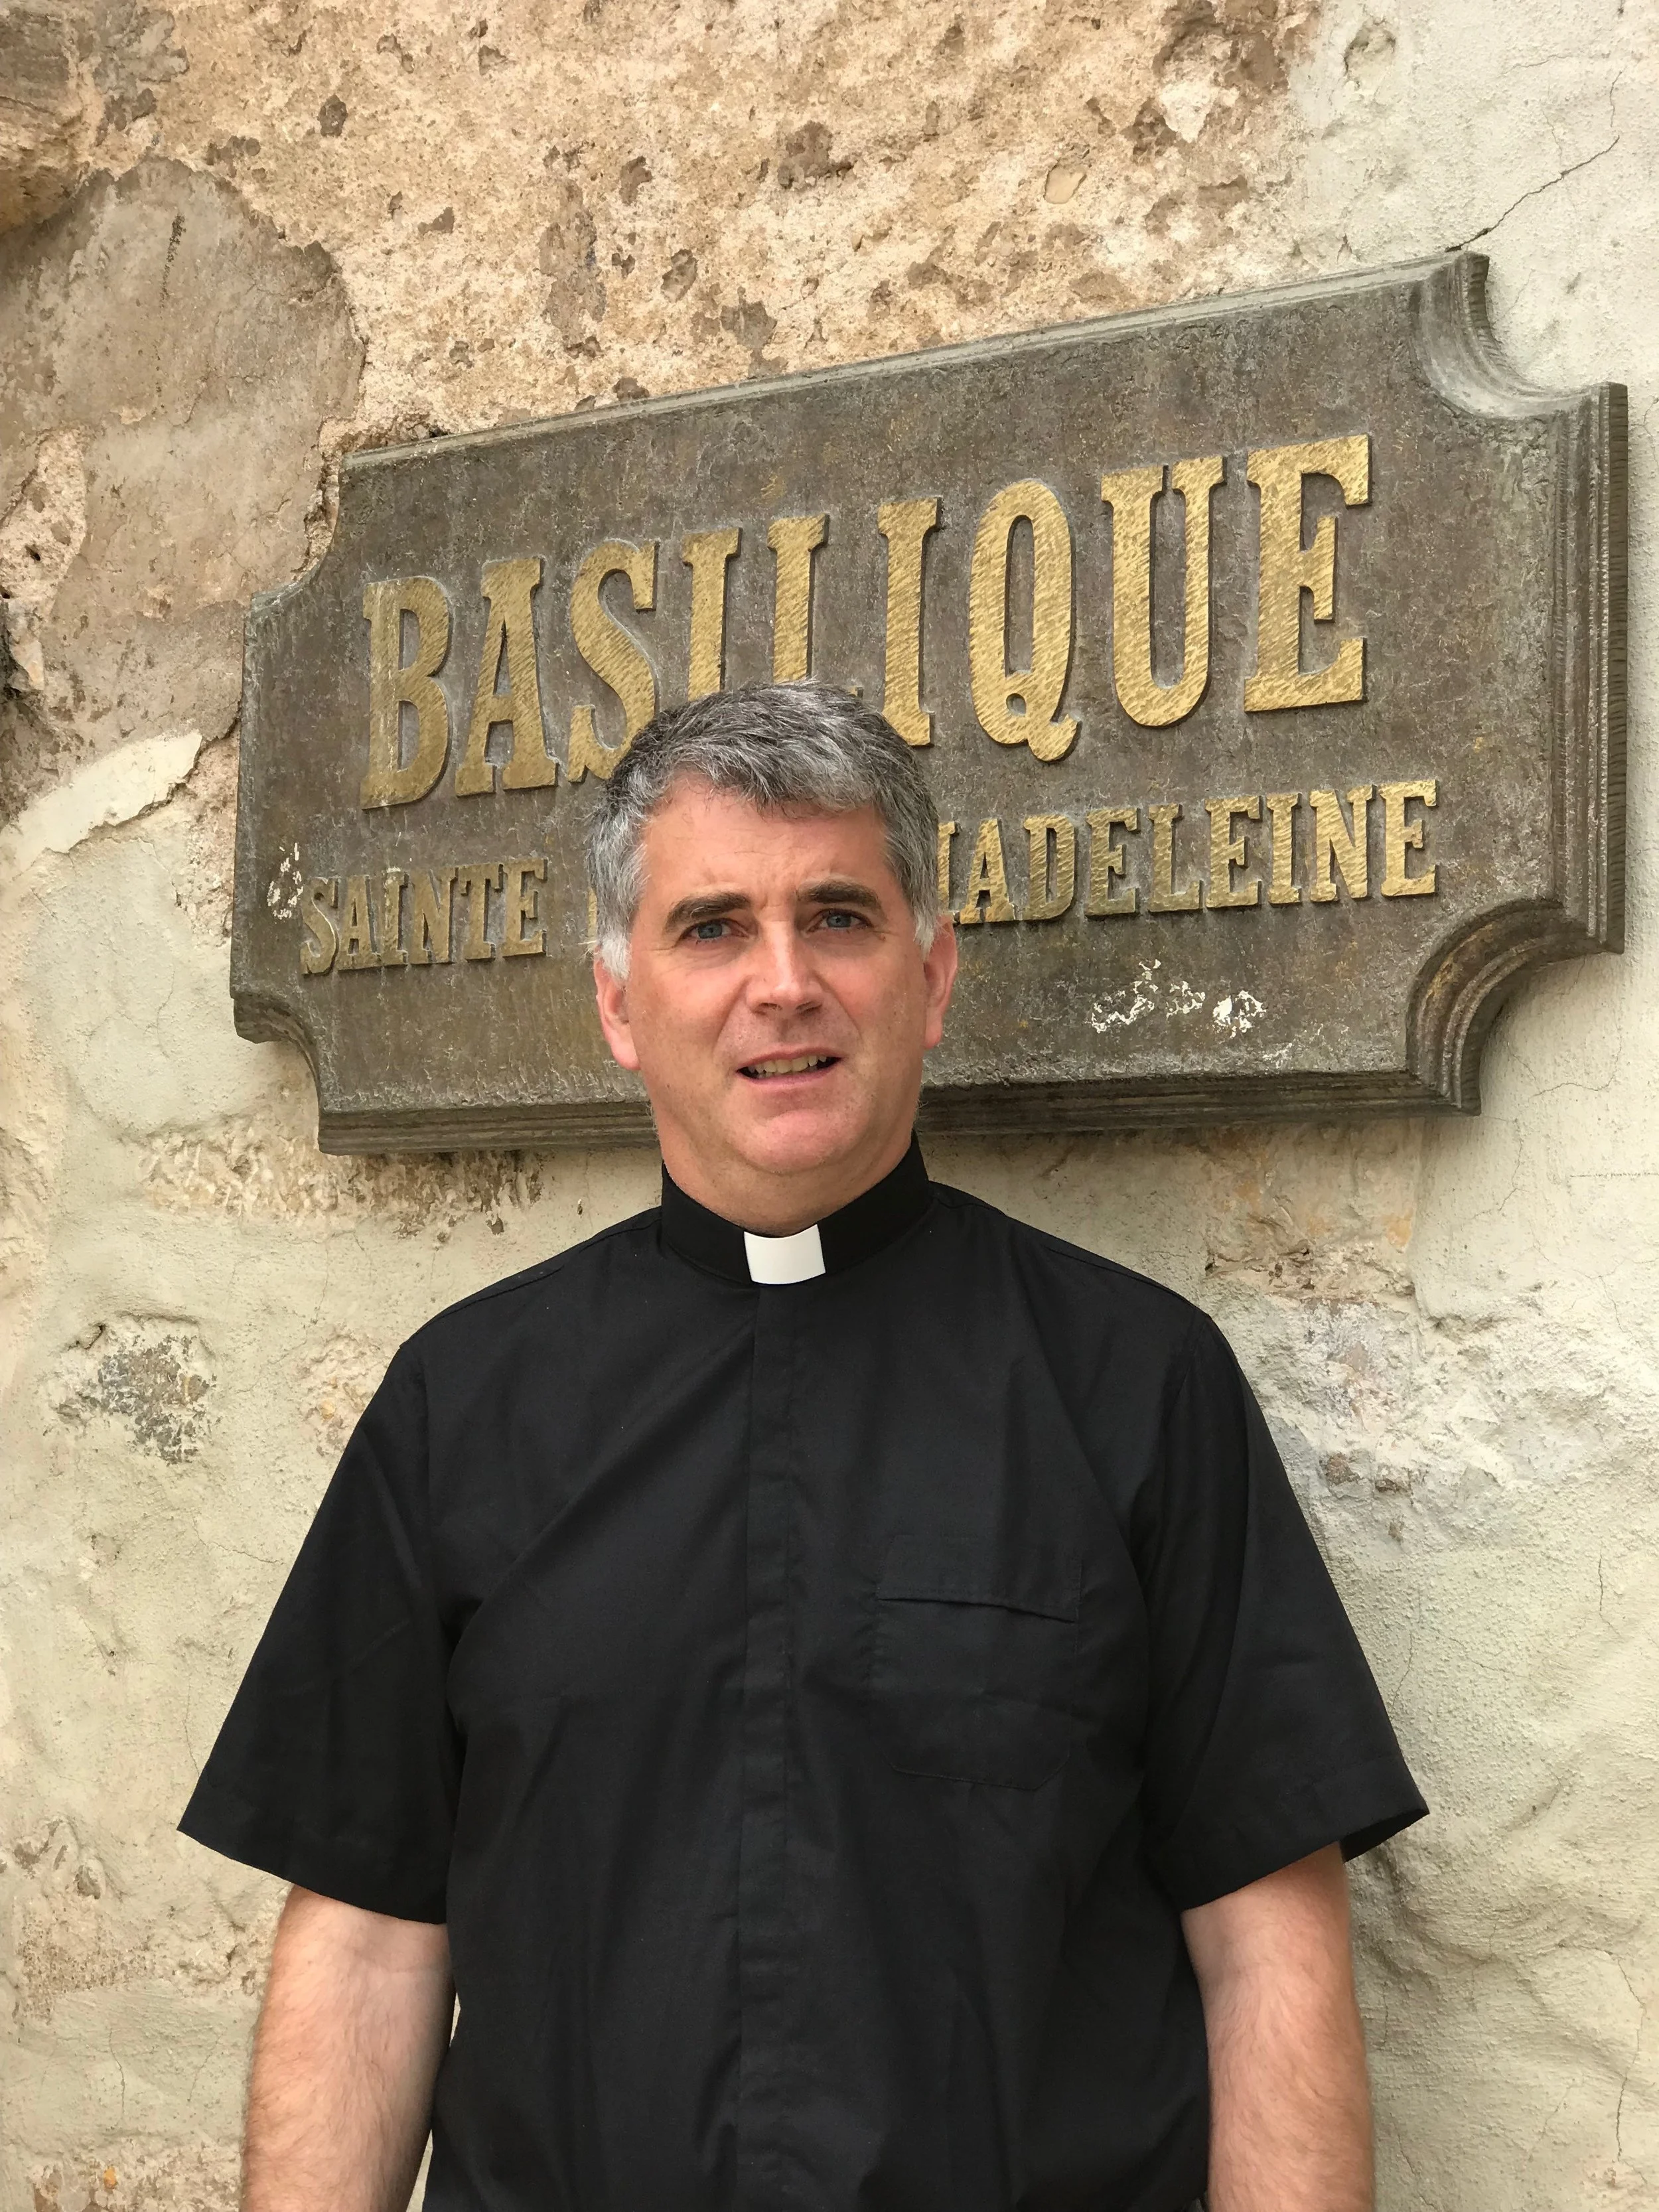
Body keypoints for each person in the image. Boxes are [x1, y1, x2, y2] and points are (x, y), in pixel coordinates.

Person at [180, 680, 1425, 2212]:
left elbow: (1265, 1941)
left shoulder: (1134, 1383)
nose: (782, 983)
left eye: (835, 916)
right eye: (711, 927)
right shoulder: (463, 1405)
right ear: (619, 1003)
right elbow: (366, 1937)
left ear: (930, 972)